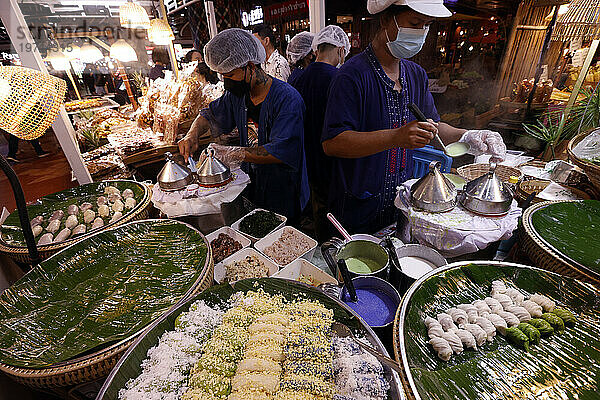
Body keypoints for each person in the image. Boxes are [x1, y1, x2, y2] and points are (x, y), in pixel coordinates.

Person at [321, 0, 507, 234]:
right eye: (415, 23)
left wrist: (468, 136)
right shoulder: (351, 76)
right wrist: (395, 137)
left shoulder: (415, 74)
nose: (420, 32)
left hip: (401, 202)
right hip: (356, 206)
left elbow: (432, 126)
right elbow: (333, 143)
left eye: (426, 25)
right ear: (386, 19)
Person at [178, 29, 309, 222]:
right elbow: (209, 114)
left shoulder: (288, 100)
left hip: (284, 189)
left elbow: (281, 151)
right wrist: (192, 134)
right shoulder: (237, 96)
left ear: (250, 66)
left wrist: (233, 153)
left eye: (230, 75)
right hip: (252, 185)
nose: (226, 82)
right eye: (222, 75)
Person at [291, 25, 350, 241]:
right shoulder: (339, 79)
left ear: (317, 49)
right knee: (335, 210)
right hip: (333, 159)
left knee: (318, 204)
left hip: (307, 156)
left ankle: (321, 242)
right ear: (341, 50)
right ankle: (335, 247)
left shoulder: (297, 78)